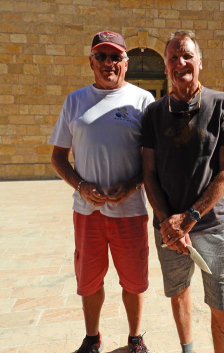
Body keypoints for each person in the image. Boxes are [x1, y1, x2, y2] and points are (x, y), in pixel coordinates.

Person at [49, 31, 154, 353]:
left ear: (126, 62)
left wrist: (133, 184)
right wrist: (80, 186)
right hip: (87, 211)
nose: (108, 63)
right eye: (102, 57)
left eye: (115, 57)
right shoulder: (75, 101)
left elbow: (153, 159)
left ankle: (135, 339)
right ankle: (92, 338)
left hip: (130, 210)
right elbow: (58, 157)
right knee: (89, 280)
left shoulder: (142, 101)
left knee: (134, 281)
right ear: (91, 62)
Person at [142, 30, 224, 353]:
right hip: (169, 228)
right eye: (172, 57)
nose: (180, 62)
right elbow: (149, 173)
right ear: (166, 67)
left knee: (222, 301)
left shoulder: (222, 104)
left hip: (212, 225)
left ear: (200, 61)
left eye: (186, 55)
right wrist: (167, 223)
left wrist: (190, 218)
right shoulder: (153, 114)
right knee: (178, 292)